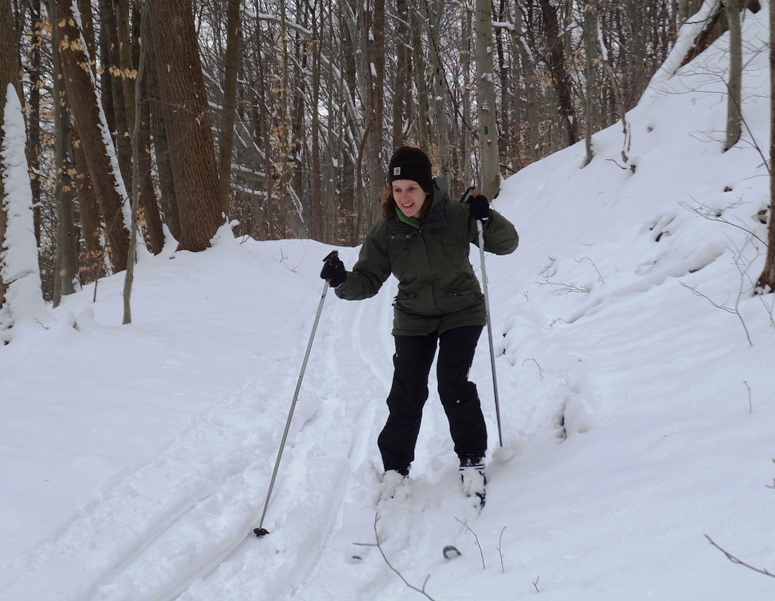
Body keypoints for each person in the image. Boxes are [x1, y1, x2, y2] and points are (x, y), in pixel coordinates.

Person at [320, 146, 518, 506]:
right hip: (413, 316)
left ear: (426, 186)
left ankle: (471, 458)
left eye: (411, 188)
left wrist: (487, 217)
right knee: (407, 390)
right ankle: (396, 467)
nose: (404, 198)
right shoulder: (387, 229)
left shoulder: (457, 214)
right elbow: (367, 280)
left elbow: (507, 245)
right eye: (397, 190)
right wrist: (340, 281)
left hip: (462, 310)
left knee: (451, 381)